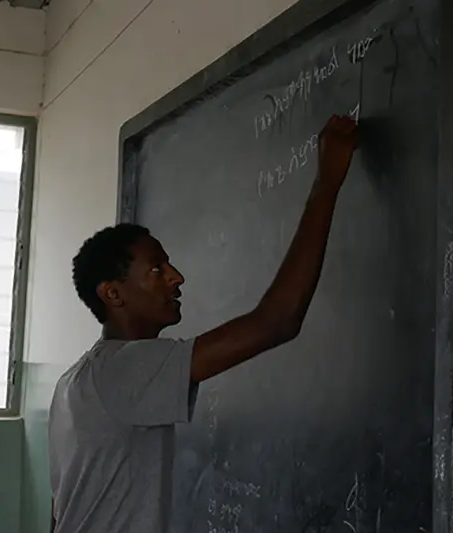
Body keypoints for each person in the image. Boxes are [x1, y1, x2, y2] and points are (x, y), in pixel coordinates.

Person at [48, 114, 358, 533]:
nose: (176, 277)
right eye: (157, 269)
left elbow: (59, 510)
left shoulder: (76, 380)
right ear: (113, 292)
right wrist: (326, 185)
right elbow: (277, 322)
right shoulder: (128, 366)